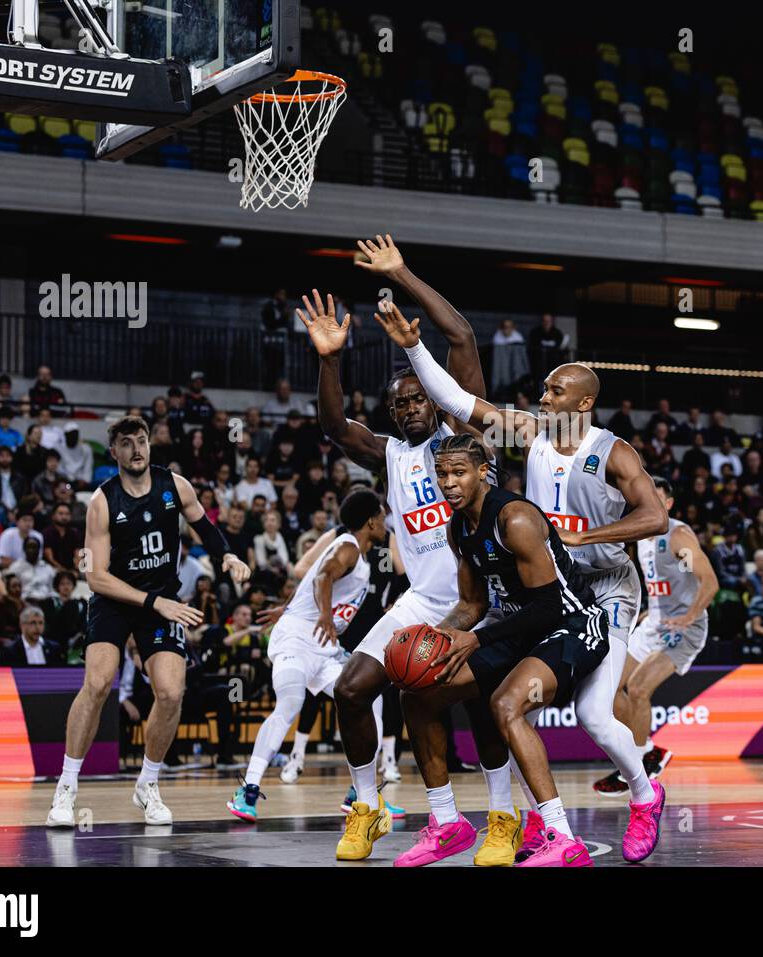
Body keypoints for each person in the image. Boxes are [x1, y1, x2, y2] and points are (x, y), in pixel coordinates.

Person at [374, 293, 669, 863]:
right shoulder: (530, 433)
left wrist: (583, 538)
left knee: (591, 717)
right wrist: (413, 347)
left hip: (600, 591)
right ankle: (516, 822)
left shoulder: (613, 451)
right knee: (486, 700)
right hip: (534, 588)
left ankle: (643, 793)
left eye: (556, 390)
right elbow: (459, 399)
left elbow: (654, 516)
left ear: (583, 401)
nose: (543, 396)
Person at [296, 233, 493, 862]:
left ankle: (509, 816)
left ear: (432, 398)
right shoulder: (392, 453)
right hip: (421, 600)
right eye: (398, 402)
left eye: (416, 398)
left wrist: (403, 275)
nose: (409, 407)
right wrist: (330, 359)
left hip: (481, 601)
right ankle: (368, 809)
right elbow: (332, 427)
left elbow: (461, 336)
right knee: (352, 689)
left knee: (480, 707)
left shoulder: (463, 431)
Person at [45, 416, 250, 829]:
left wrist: (226, 555)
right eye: (126, 443)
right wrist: (155, 602)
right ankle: (66, 787)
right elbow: (95, 576)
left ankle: (148, 784)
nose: (136, 448)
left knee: (172, 692)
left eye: (141, 441)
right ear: (115, 452)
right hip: (115, 601)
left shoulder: (175, 485)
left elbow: (204, 527)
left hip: (162, 601)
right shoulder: (102, 502)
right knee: (99, 682)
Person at [226, 490, 387, 821]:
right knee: (290, 703)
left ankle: (361, 794)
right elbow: (324, 575)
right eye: (383, 516)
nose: (386, 522)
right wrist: (323, 615)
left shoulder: (356, 552)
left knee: (366, 698)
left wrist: (288, 608)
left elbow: (313, 581)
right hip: (297, 640)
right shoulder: (347, 547)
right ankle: (248, 790)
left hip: (322, 647)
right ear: (371, 521)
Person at [594, 477, 718, 794]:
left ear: (669, 504)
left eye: (658, 498)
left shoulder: (677, 535)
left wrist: (688, 616)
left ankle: (639, 764)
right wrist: (654, 611)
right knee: (607, 690)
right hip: (655, 624)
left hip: (684, 629)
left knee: (637, 689)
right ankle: (648, 751)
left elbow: (710, 582)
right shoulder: (643, 536)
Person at [0, 605, 64, 665]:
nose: (38, 627)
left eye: (41, 623)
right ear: (22, 625)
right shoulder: (10, 651)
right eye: (33, 623)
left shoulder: (54, 648)